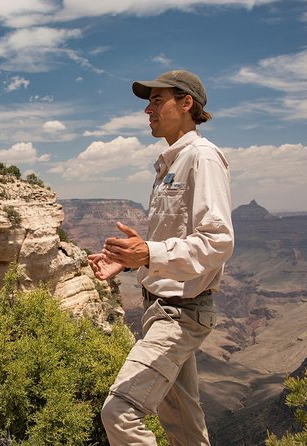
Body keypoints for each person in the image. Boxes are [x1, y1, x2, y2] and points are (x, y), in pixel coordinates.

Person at [89, 70, 234, 445]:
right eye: (147, 102)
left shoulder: (202, 158)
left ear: (187, 103)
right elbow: (175, 238)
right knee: (185, 430)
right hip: (160, 309)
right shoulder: (171, 162)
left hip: (181, 314)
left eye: (157, 100)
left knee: (119, 413)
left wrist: (149, 252)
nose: (147, 110)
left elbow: (218, 241)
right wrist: (132, 259)